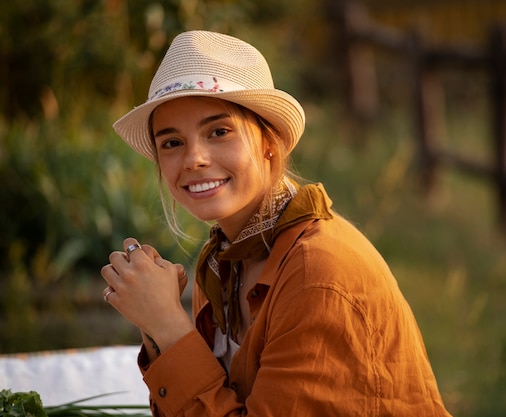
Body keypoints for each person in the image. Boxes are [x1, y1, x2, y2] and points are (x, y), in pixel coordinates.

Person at [101, 30, 451, 417]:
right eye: (171, 143)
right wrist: (155, 327)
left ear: (270, 142)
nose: (193, 159)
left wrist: (168, 325)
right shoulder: (221, 262)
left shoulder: (316, 274)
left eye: (219, 132)